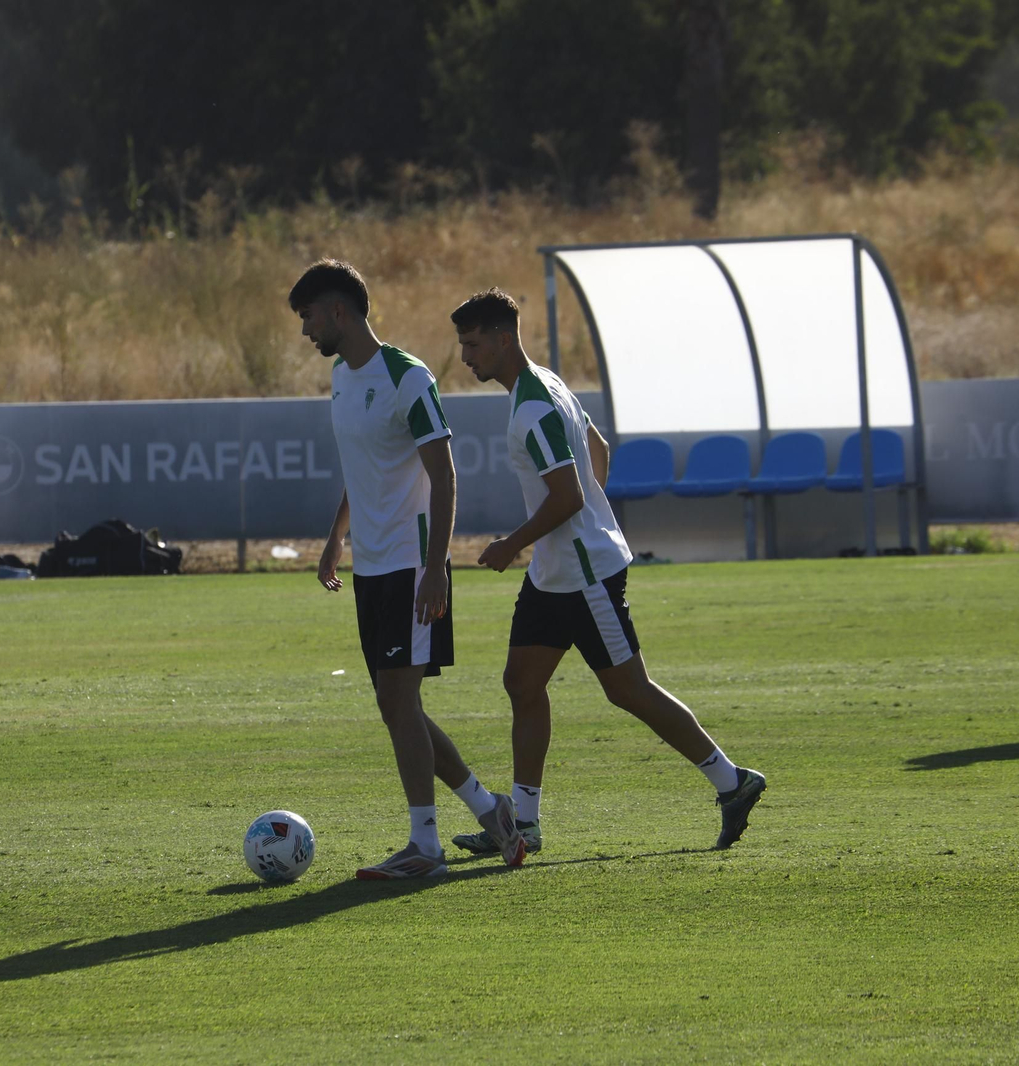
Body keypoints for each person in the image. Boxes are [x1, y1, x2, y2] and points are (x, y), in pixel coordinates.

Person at [446, 288, 766, 855]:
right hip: (556, 571)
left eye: (472, 345)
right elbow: (599, 449)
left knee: (628, 691)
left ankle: (732, 782)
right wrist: (588, 513)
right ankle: (524, 824)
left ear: (501, 338)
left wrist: (512, 544)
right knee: (522, 683)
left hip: (584, 575)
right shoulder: (546, 384)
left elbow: (567, 495)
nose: (465, 357)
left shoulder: (534, 405)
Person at [288, 259, 525, 878]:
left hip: (411, 565)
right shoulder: (343, 376)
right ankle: (489, 809)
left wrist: (435, 569)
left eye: (308, 317)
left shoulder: (408, 378)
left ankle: (426, 847)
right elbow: (360, 466)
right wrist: (336, 537)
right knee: (398, 708)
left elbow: (444, 475)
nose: (305, 331)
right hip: (371, 566)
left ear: (338, 310)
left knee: (399, 700)